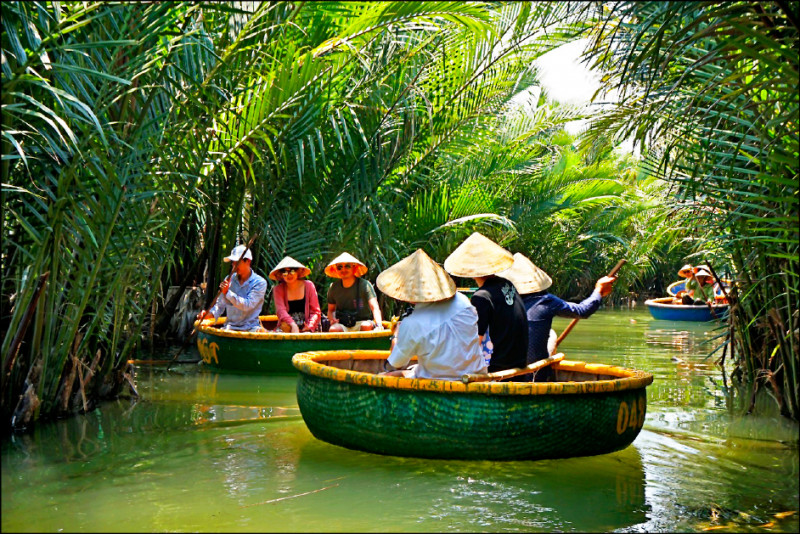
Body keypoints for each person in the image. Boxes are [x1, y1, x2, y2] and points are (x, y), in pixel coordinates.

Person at [499, 253, 616, 382]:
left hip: (504, 376)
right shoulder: (545, 301)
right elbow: (583, 310)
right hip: (535, 377)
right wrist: (598, 290)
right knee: (551, 335)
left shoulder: (500, 302)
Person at [377, 249, 486, 380]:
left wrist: (395, 335)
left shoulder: (412, 323)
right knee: (414, 368)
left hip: (438, 382)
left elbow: (396, 363)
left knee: (385, 375)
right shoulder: (463, 301)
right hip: (476, 377)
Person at [443, 232, 528, 377]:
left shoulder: (481, 297)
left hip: (499, 368)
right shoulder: (507, 284)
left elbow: (475, 341)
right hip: (519, 364)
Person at [197, 244, 267, 332]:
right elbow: (220, 305)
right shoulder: (229, 279)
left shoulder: (260, 282)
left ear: (248, 261)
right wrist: (208, 315)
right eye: (232, 262)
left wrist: (227, 293)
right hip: (230, 327)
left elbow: (248, 305)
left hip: (251, 328)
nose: (234, 265)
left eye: (237, 262)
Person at [325, 252, 384, 332]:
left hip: (362, 322)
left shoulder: (364, 285)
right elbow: (331, 310)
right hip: (343, 324)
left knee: (366, 326)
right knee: (333, 329)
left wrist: (379, 325)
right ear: (336, 270)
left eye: (347, 266)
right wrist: (333, 319)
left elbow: (374, 307)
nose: (343, 269)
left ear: (354, 268)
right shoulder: (334, 287)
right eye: (339, 267)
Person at [269, 256, 321, 333]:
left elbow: (315, 311)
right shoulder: (278, 289)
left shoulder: (309, 285)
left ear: (298, 271)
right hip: (287, 326)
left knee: (307, 335)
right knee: (282, 330)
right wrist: (293, 325)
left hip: (308, 325)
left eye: (292, 271)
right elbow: (281, 311)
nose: (289, 275)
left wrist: (310, 326)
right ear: (281, 275)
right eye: (285, 272)